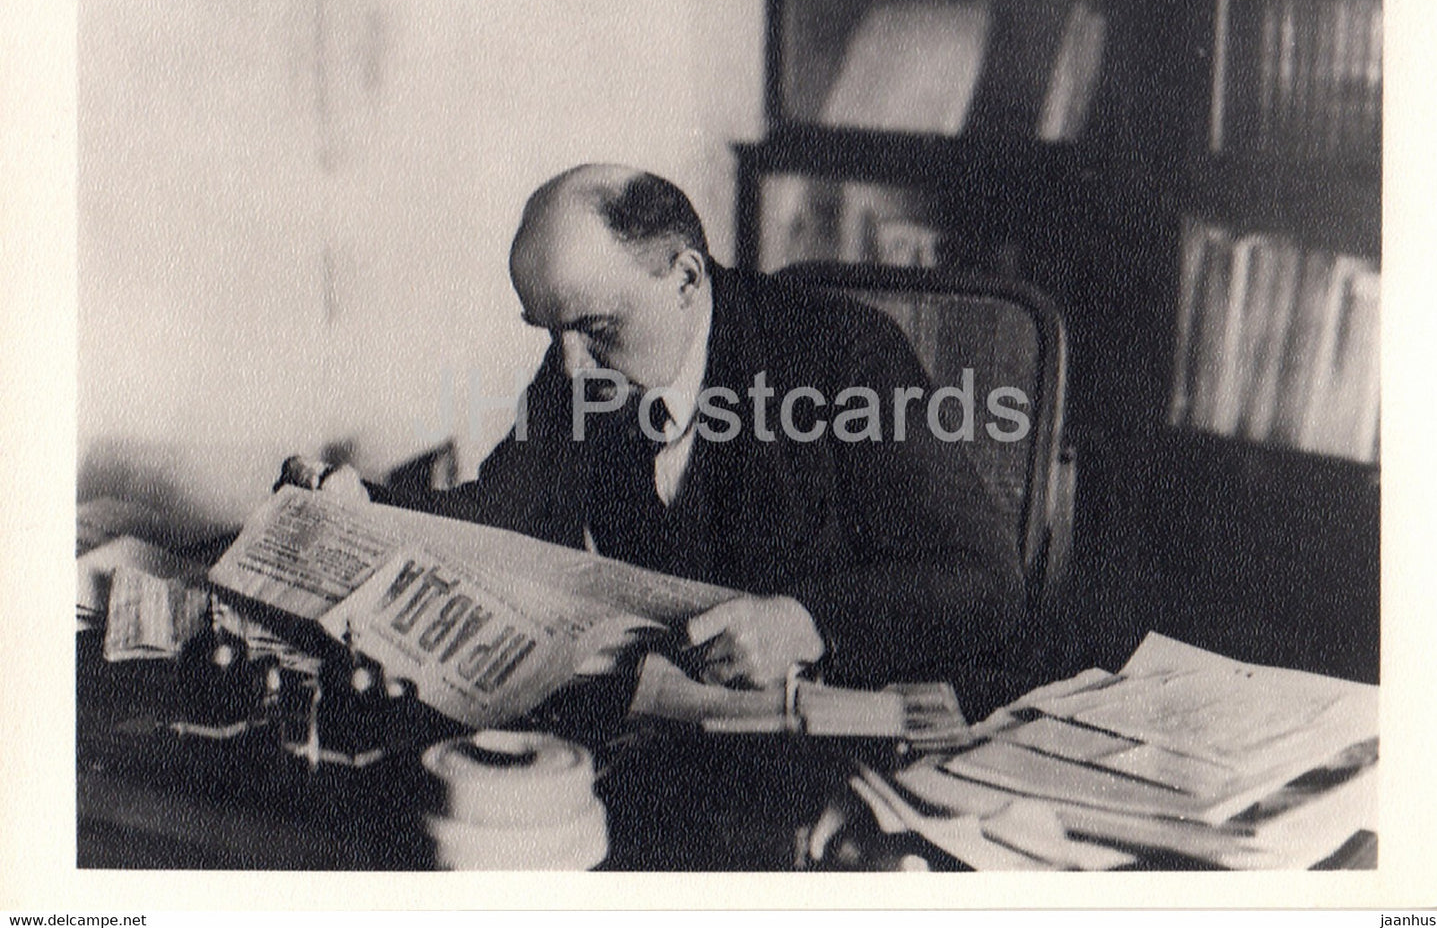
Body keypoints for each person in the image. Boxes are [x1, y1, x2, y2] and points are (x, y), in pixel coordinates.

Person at [288, 164, 1024, 691]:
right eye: (550, 334)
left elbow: (986, 584)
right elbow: (503, 514)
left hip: (830, 727)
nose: (570, 367)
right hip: (669, 727)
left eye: (596, 327)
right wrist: (368, 509)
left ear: (684, 279)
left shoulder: (843, 352)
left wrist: (806, 622)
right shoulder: (582, 364)